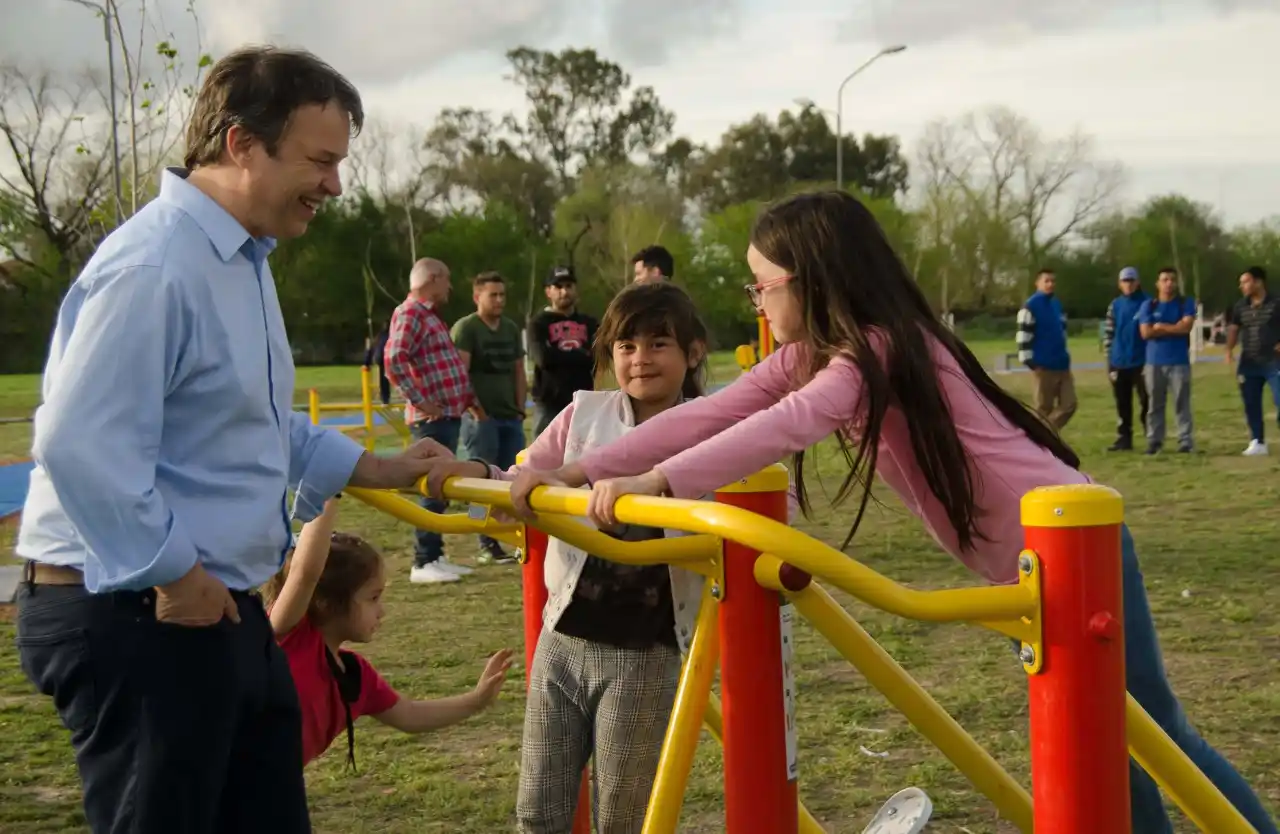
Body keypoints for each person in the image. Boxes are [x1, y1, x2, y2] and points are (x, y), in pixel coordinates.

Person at [502, 191, 1279, 834]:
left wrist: (663, 483)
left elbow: (780, 428)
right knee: (1105, 739)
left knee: (1148, 732)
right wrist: (576, 467)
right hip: (1035, 569)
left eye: (763, 285)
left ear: (812, 280)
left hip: (1078, 552)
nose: (759, 301)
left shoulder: (877, 349)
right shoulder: (821, 352)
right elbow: (711, 415)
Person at [13, 47, 452, 834]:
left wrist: (375, 464)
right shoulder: (157, 266)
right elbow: (79, 442)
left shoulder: (240, 260)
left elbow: (245, 417)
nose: (336, 185)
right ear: (241, 143)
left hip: (205, 607)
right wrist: (174, 574)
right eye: (320, 161)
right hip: (137, 608)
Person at [427, 281, 714, 833]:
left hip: (644, 650)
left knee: (622, 816)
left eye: (659, 344)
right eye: (626, 347)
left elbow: (765, 504)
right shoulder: (585, 413)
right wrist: (482, 474)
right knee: (537, 809)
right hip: (563, 637)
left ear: (694, 352)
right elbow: (525, 475)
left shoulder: (713, 426)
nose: (641, 359)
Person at [265, 496, 512, 768]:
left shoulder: (356, 676)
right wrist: (327, 488)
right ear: (325, 602)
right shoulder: (286, 636)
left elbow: (410, 715)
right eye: (372, 598)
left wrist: (476, 700)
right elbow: (306, 572)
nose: (381, 611)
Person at [384, 257, 483, 583]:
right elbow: (394, 358)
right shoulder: (411, 312)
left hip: (447, 415)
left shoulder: (428, 316)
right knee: (433, 484)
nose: (450, 287)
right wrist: (421, 399)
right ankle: (424, 560)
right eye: (447, 279)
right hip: (431, 419)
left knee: (441, 487)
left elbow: (443, 364)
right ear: (434, 278)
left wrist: (466, 399)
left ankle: (436, 555)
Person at [452, 271, 527, 564]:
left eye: (502, 294)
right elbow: (461, 374)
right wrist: (477, 411)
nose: (499, 300)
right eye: (492, 295)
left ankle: (513, 536)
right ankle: (484, 539)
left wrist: (520, 407)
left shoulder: (509, 328)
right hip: (482, 419)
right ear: (477, 297)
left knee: (512, 480)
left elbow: (519, 370)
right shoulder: (467, 328)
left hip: (510, 416)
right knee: (480, 482)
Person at [527, 265, 599, 438]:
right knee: (544, 459)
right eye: (558, 287)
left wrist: (559, 355)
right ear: (548, 292)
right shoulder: (539, 323)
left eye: (568, 286)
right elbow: (543, 358)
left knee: (583, 455)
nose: (564, 292)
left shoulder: (589, 323)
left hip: (583, 401)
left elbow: (597, 356)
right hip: (549, 403)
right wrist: (581, 354)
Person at [1138, 268, 1197, 454]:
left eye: (1172, 279)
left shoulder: (1185, 303)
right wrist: (1174, 327)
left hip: (1179, 361)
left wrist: (1162, 327)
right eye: (1164, 279)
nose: (1168, 283)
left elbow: (1186, 327)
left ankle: (1185, 440)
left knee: (1182, 402)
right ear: (1158, 283)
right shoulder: (1149, 305)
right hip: (1154, 362)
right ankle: (1155, 441)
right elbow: (1145, 332)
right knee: (1155, 403)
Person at [1225, 266, 1280, 456]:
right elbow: (1234, 328)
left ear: (1258, 282)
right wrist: (1228, 349)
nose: (1242, 286)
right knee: (1251, 402)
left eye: (1245, 281)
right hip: (1249, 362)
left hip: (1274, 361)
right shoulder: (1240, 306)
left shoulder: (1277, 302)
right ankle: (1257, 441)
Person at [1015, 268, 1076, 430]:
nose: (1050, 284)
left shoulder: (1056, 304)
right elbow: (1023, 336)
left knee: (1070, 404)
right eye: (1046, 281)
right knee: (1043, 409)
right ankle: (1039, 442)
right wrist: (1030, 362)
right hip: (1043, 366)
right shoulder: (1030, 306)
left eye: (1053, 281)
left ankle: (1043, 435)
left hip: (1062, 364)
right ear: (1038, 283)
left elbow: (1062, 331)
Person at [1103, 266, 1150, 451]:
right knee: (1122, 402)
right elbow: (1109, 334)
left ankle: (1151, 436)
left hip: (1143, 361)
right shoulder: (1115, 305)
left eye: (1131, 281)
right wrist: (1110, 362)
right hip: (1119, 361)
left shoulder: (1148, 302)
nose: (1128, 284)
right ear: (1119, 284)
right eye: (1125, 281)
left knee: (1147, 400)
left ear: (1137, 282)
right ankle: (1124, 437)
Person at [364, 318, 392, 405]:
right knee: (385, 377)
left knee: (383, 378)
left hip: (382, 359)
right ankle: (385, 397)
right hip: (387, 358)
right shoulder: (391, 335)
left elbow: (371, 350)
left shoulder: (379, 337)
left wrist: (367, 363)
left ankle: (385, 398)